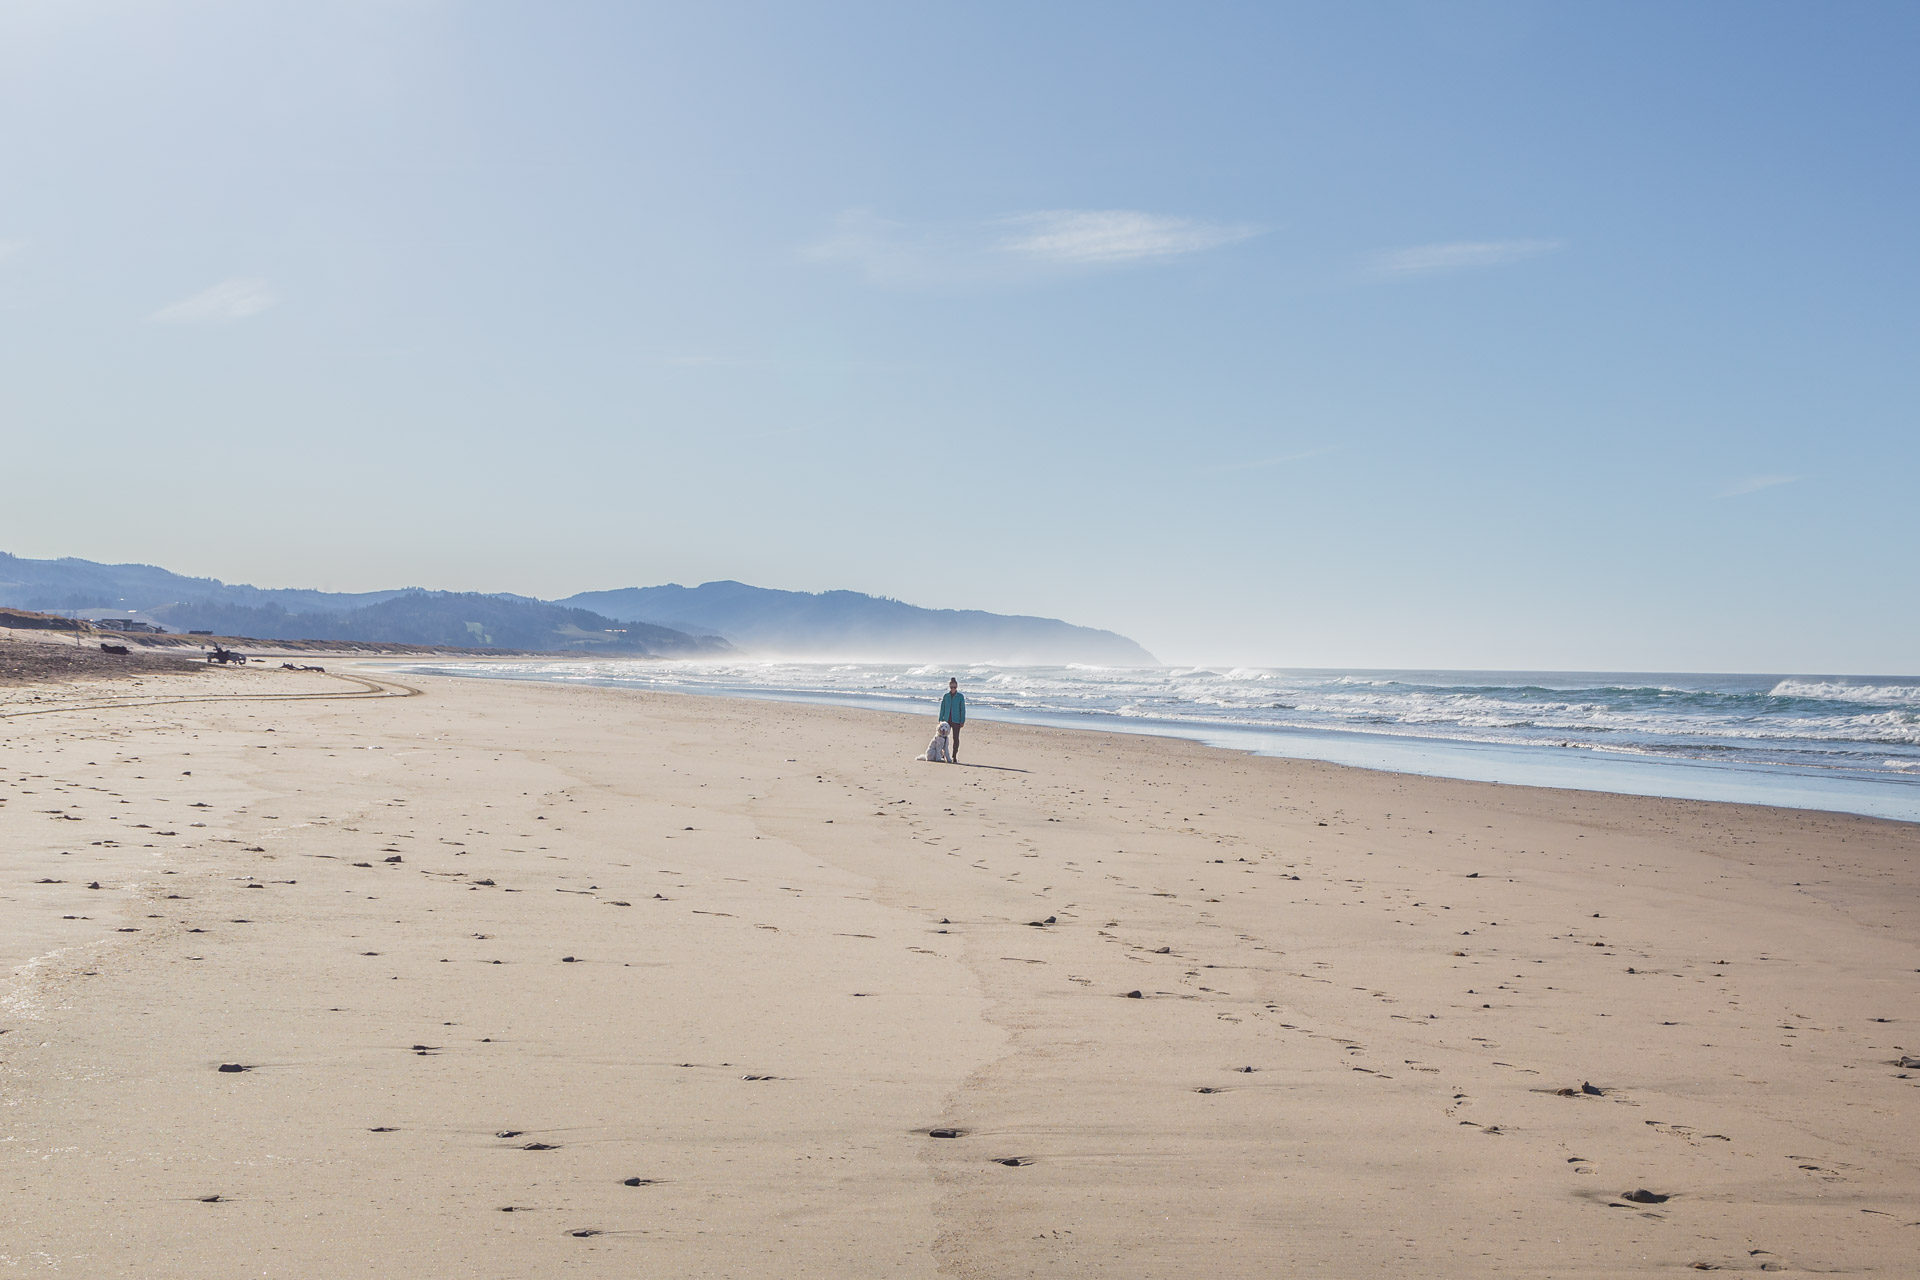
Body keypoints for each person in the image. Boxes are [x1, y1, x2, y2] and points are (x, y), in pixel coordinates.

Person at [938, 677, 966, 764]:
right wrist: (940, 719)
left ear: (957, 686)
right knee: (943, 738)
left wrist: (962, 720)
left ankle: (954, 756)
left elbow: (962, 709)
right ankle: (943, 754)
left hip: (957, 721)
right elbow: (942, 708)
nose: (953, 689)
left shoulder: (960, 697)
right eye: (951, 687)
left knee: (956, 738)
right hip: (946, 721)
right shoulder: (946, 696)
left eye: (954, 687)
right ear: (949, 687)